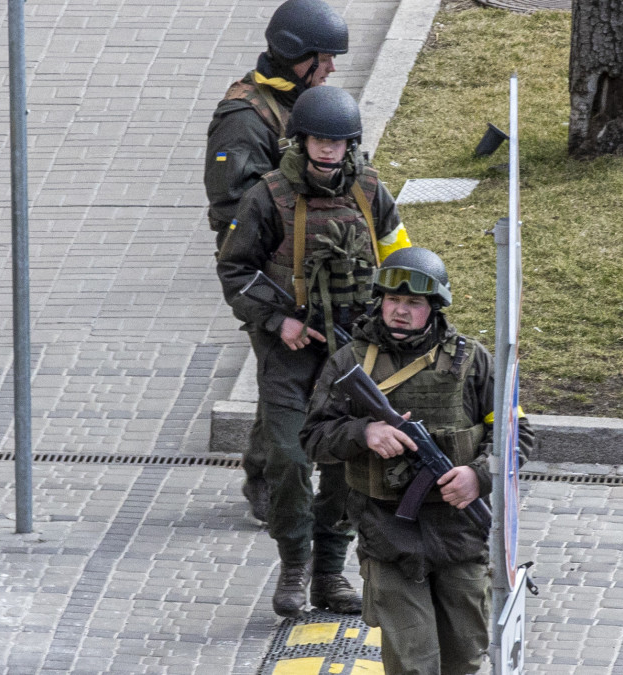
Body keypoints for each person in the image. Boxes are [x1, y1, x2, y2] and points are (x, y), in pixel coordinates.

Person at [216, 84, 410, 617]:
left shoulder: (370, 191)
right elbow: (236, 270)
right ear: (301, 139)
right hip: (292, 353)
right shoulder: (270, 195)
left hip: (352, 356)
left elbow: (397, 253)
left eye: (337, 140)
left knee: (348, 461)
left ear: (350, 144)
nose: (327, 148)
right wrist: (279, 321)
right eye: (318, 139)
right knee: (287, 457)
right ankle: (294, 566)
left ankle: (329, 572)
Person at [300, 248, 535, 674]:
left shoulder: (472, 362)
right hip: (388, 531)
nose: (400, 311)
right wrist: (364, 433)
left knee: (464, 656)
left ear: (434, 307)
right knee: (413, 663)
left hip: (459, 533)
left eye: (413, 303)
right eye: (393, 300)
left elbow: (517, 435)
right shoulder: (349, 363)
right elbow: (313, 438)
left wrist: (477, 477)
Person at [205, 0, 349, 523]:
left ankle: (267, 469)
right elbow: (236, 208)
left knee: (290, 377)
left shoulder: (301, 103)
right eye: (324, 58)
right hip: (264, 274)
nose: (332, 68)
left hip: (311, 269)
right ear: (295, 55)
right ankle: (268, 479)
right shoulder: (246, 118)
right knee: (283, 375)